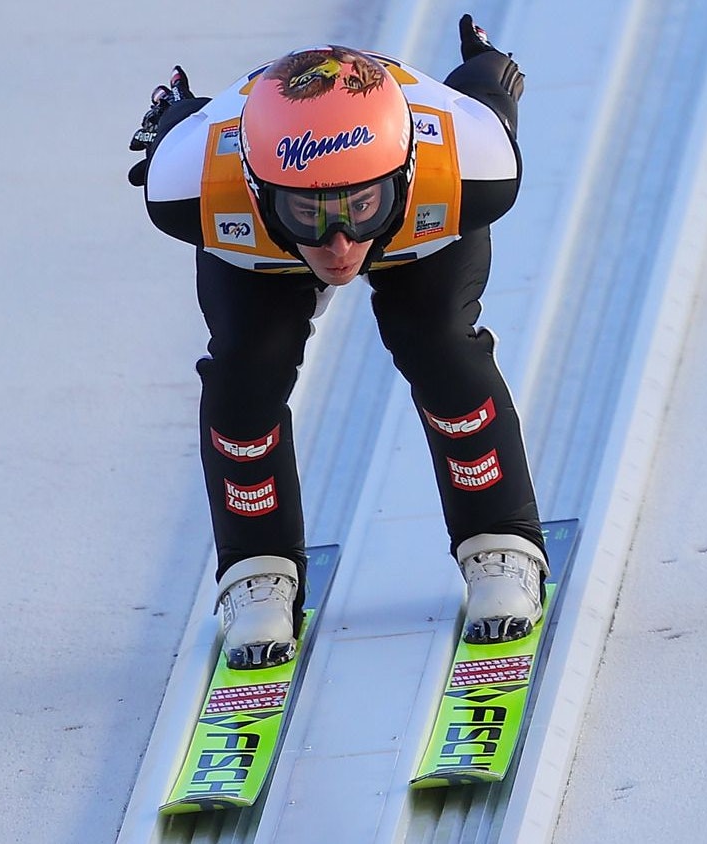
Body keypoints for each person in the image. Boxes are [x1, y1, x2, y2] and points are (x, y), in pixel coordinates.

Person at [127, 16, 547, 669]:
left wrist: (486, 69)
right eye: (309, 213)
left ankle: (501, 541)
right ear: (254, 186)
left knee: (438, 343)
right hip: (293, 244)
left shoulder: (471, 163)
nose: (340, 245)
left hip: (377, 236)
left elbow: (485, 99)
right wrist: (176, 113)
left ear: (408, 170)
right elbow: (183, 130)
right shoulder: (193, 182)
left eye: (361, 206)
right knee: (245, 370)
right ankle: (255, 567)